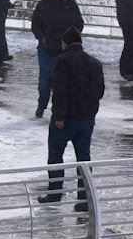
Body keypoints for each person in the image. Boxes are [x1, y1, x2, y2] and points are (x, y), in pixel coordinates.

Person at [40, 26, 103, 206]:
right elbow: (100, 91)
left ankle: (55, 193)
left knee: (55, 157)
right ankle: (84, 198)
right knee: (84, 159)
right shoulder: (94, 62)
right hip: (87, 119)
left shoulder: (62, 61)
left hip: (66, 119)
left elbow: (60, 91)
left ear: (65, 42)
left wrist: (59, 116)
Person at [29, 0, 83, 119]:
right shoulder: (42, 5)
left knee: (65, 82)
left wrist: (73, 39)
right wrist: (43, 39)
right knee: (46, 80)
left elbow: (79, 23)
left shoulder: (71, 4)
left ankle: (60, 110)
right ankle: (41, 105)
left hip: (67, 50)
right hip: (47, 49)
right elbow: (35, 26)